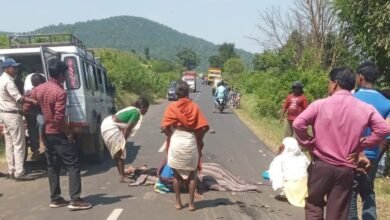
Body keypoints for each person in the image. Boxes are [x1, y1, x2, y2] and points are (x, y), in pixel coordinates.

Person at [293, 67, 390, 220]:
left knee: (314, 206)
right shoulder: (365, 108)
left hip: (321, 165)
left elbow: (298, 124)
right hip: (346, 169)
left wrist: (310, 143)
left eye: (329, 82)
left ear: (335, 84)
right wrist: (362, 145)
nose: (328, 86)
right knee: (337, 213)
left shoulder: (320, 104)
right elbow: (384, 129)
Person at [25, 59, 92, 210]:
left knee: (52, 166)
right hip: (58, 133)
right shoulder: (60, 92)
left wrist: (40, 111)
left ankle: (55, 198)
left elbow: (26, 106)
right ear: (61, 74)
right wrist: (68, 133)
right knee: (73, 164)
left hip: (46, 133)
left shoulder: (39, 89)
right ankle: (75, 199)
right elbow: (59, 118)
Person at [348, 62, 390, 220]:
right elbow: (387, 133)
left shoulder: (351, 98)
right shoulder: (387, 103)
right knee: (368, 191)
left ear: (360, 78)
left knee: (350, 193)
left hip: (351, 154)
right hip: (373, 155)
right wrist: (375, 152)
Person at [161, 80, 209, 211]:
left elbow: (164, 127)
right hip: (190, 141)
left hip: (176, 140)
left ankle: (178, 203)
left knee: (176, 175)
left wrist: (170, 136)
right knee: (192, 174)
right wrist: (198, 140)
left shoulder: (172, 107)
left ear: (176, 94)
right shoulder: (194, 107)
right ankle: (192, 204)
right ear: (188, 93)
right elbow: (204, 128)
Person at [0, 58, 38, 181]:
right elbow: (19, 98)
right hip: (13, 115)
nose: (16, 70)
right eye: (13, 67)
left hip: (4, 114)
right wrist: (31, 100)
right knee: (19, 144)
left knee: (10, 144)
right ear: (6, 68)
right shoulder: (9, 82)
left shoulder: (1, 80)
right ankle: (19, 172)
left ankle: (11, 170)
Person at [100, 98, 149, 183]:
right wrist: (124, 141)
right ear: (142, 107)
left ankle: (122, 174)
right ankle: (122, 177)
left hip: (107, 124)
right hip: (111, 127)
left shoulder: (131, 109)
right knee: (121, 152)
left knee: (118, 153)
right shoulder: (136, 113)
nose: (146, 111)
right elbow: (127, 129)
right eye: (146, 109)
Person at [268, 137, 309, 208]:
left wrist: (278, 185)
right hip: (304, 188)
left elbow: (276, 175)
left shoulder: (280, 158)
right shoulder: (303, 157)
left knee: (274, 172)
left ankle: (285, 192)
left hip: (291, 187)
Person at [24, 73, 46, 160]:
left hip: (35, 112)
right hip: (34, 112)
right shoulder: (32, 91)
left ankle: (37, 147)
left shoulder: (29, 92)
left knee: (37, 124)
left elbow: (25, 106)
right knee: (39, 123)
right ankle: (39, 145)